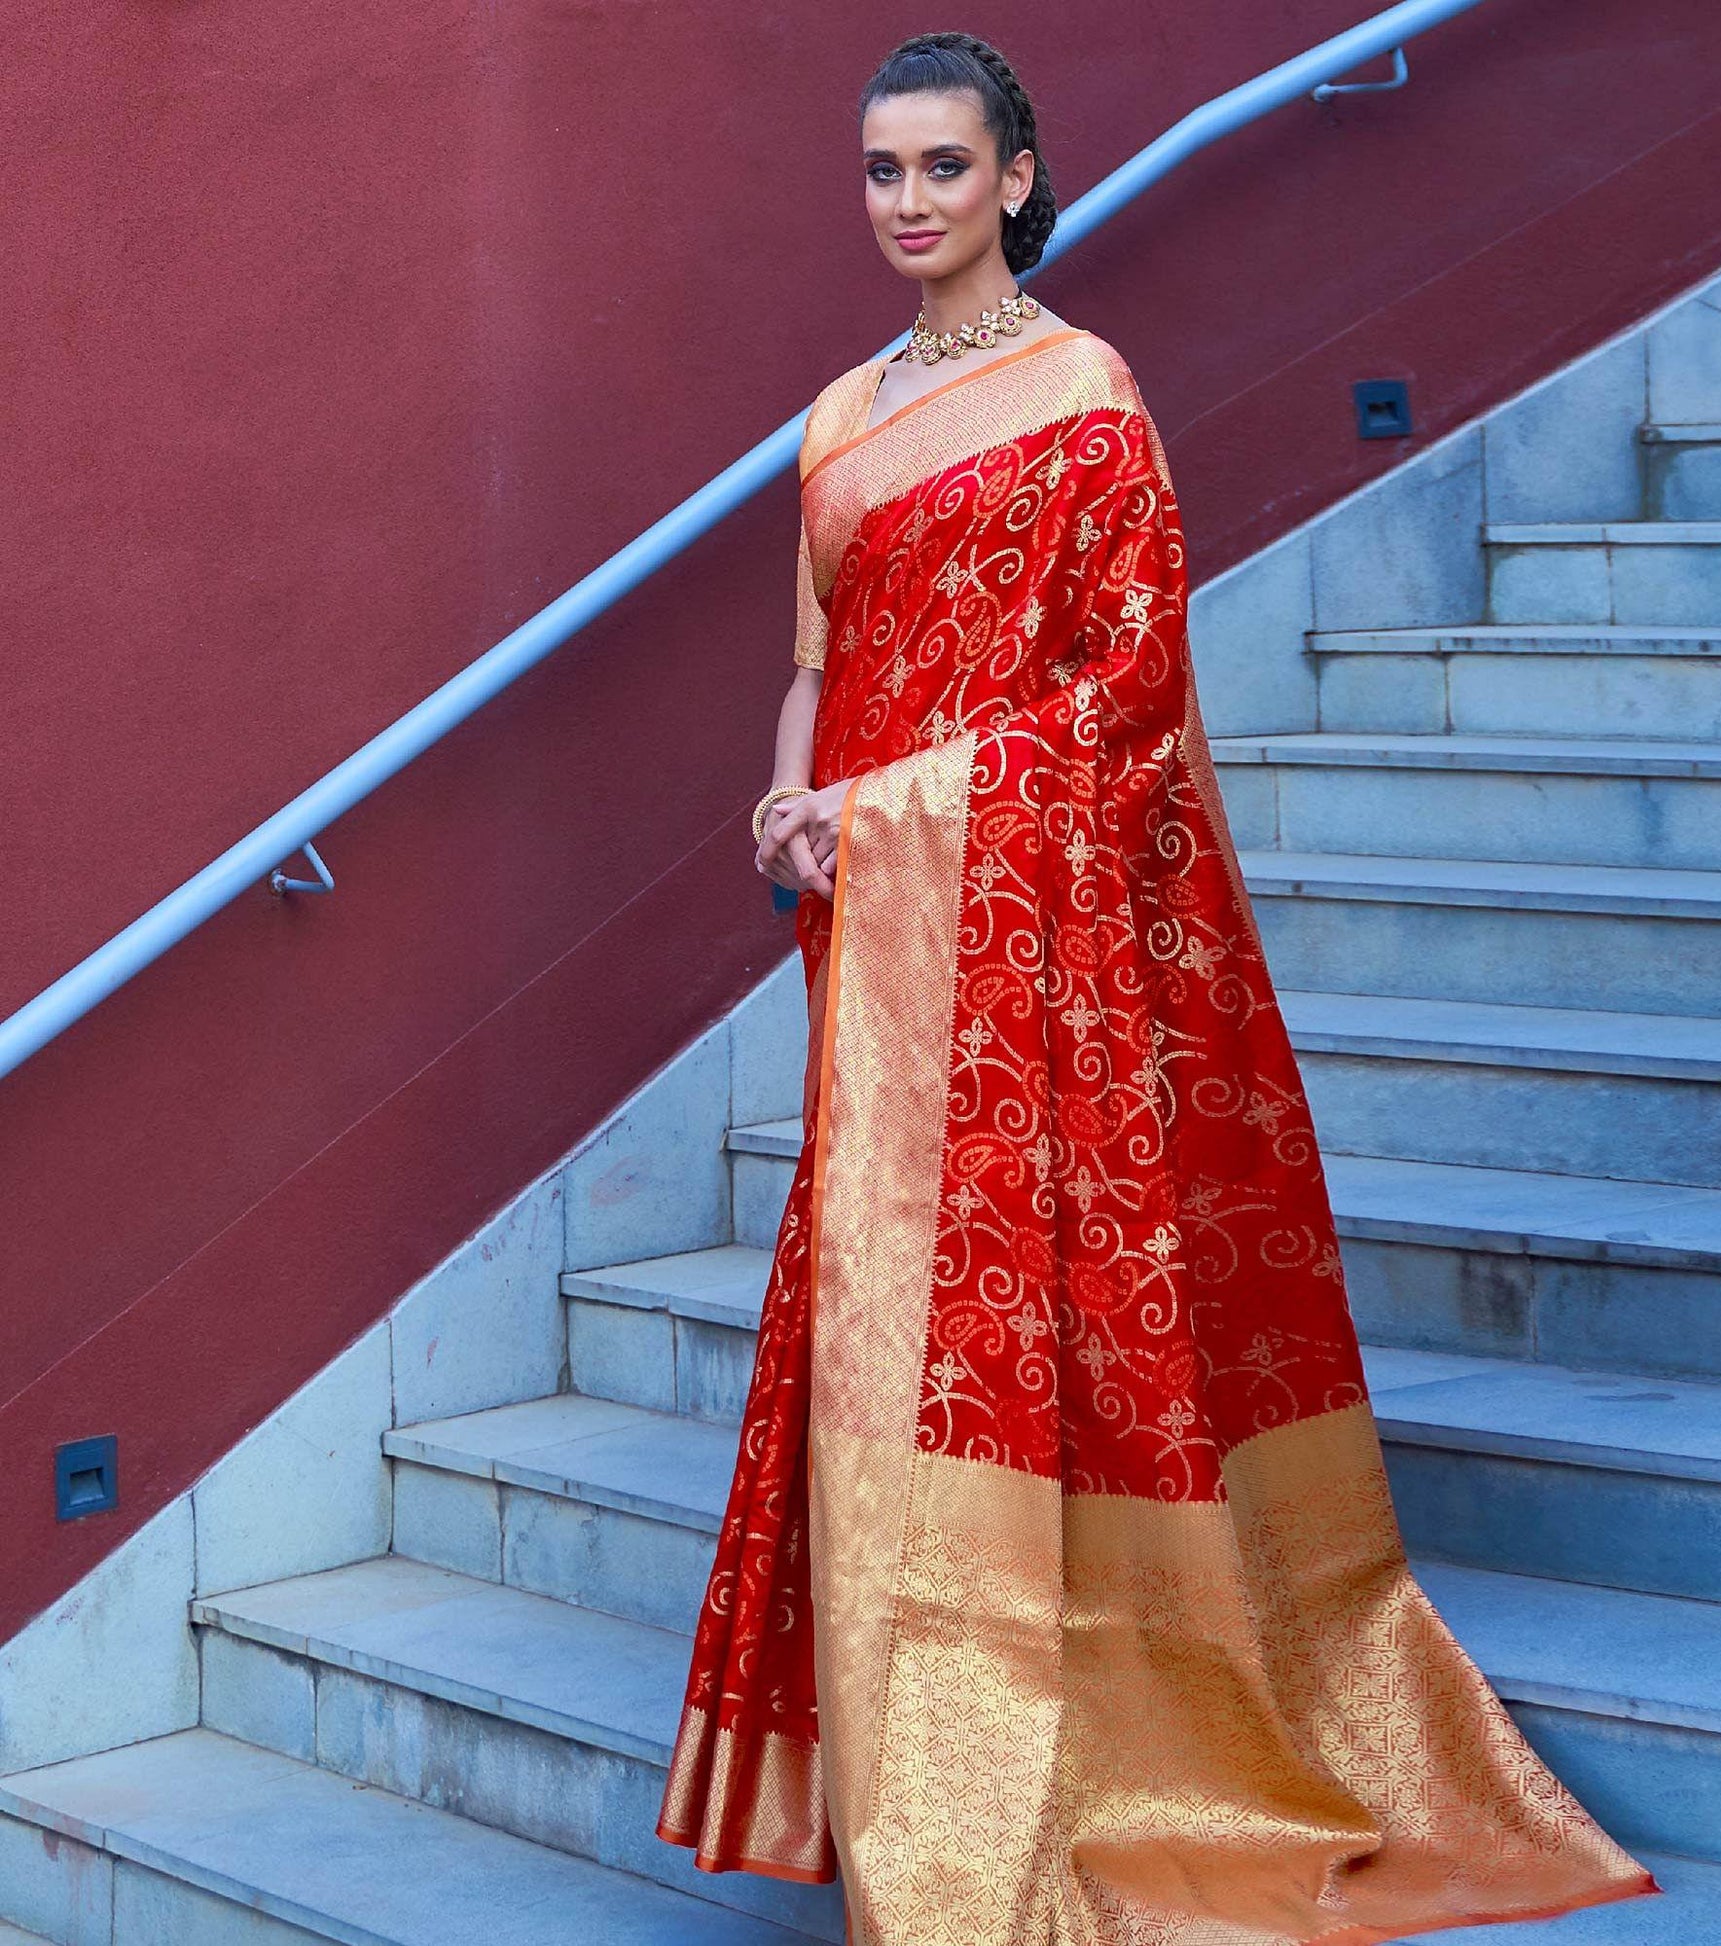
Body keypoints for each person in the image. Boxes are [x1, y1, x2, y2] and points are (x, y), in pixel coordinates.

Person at [659, 31, 1663, 1945]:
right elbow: (821, 649)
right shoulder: (836, 419)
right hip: (875, 927)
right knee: (880, 1304)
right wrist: (790, 799)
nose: (907, 203)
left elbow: (1121, 695)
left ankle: (1050, 1755)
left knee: (1011, 1295)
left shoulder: (1083, 397)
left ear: (1018, 180)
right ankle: (907, 1784)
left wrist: (897, 806)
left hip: (1003, 914)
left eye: (943, 168)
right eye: (881, 171)